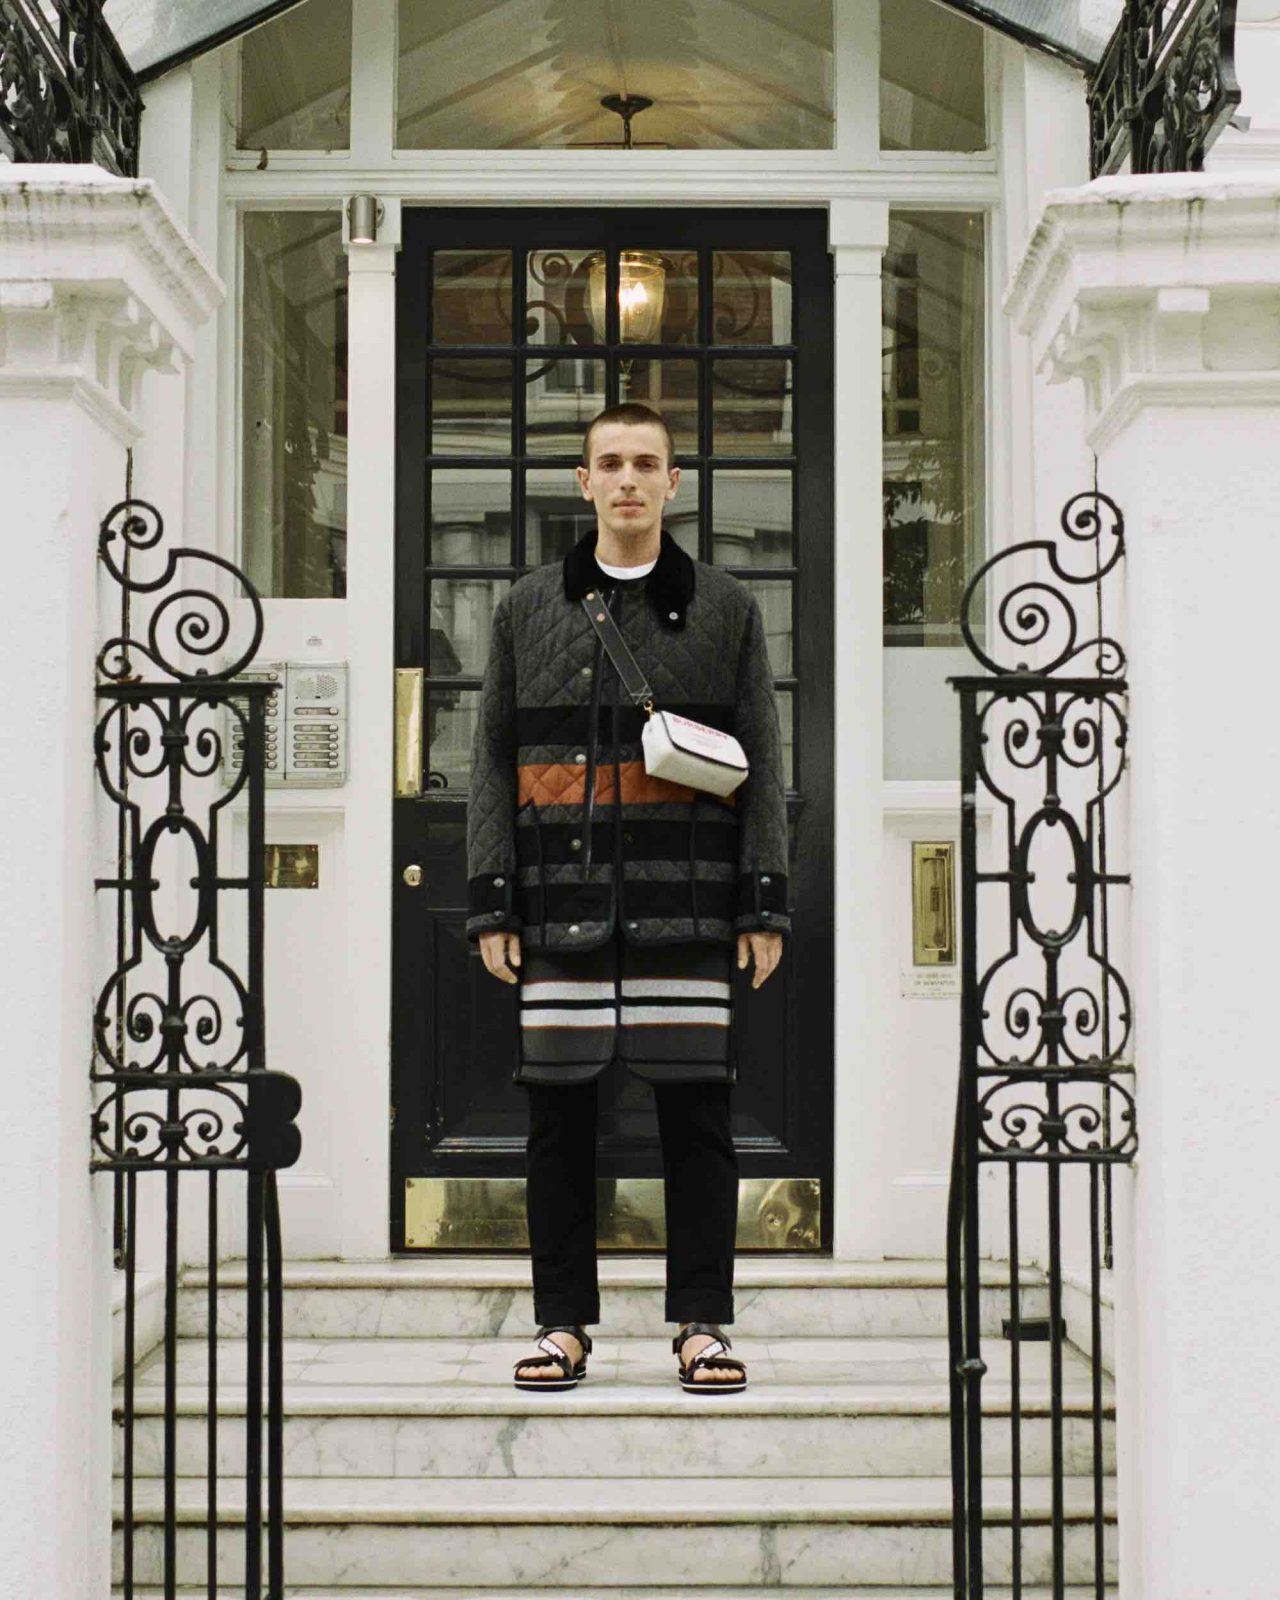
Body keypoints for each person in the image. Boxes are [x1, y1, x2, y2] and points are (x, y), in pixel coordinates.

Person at [465, 401, 791, 1392]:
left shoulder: (726, 608)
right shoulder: (526, 608)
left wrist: (761, 905)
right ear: (583, 481)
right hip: (557, 906)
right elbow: (490, 758)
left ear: (672, 482)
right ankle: (561, 1325)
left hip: (687, 906)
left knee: (698, 1123)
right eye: (609, 463)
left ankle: (701, 1324)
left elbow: (762, 757)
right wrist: (492, 903)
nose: (627, 481)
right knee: (558, 1126)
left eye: (646, 464)